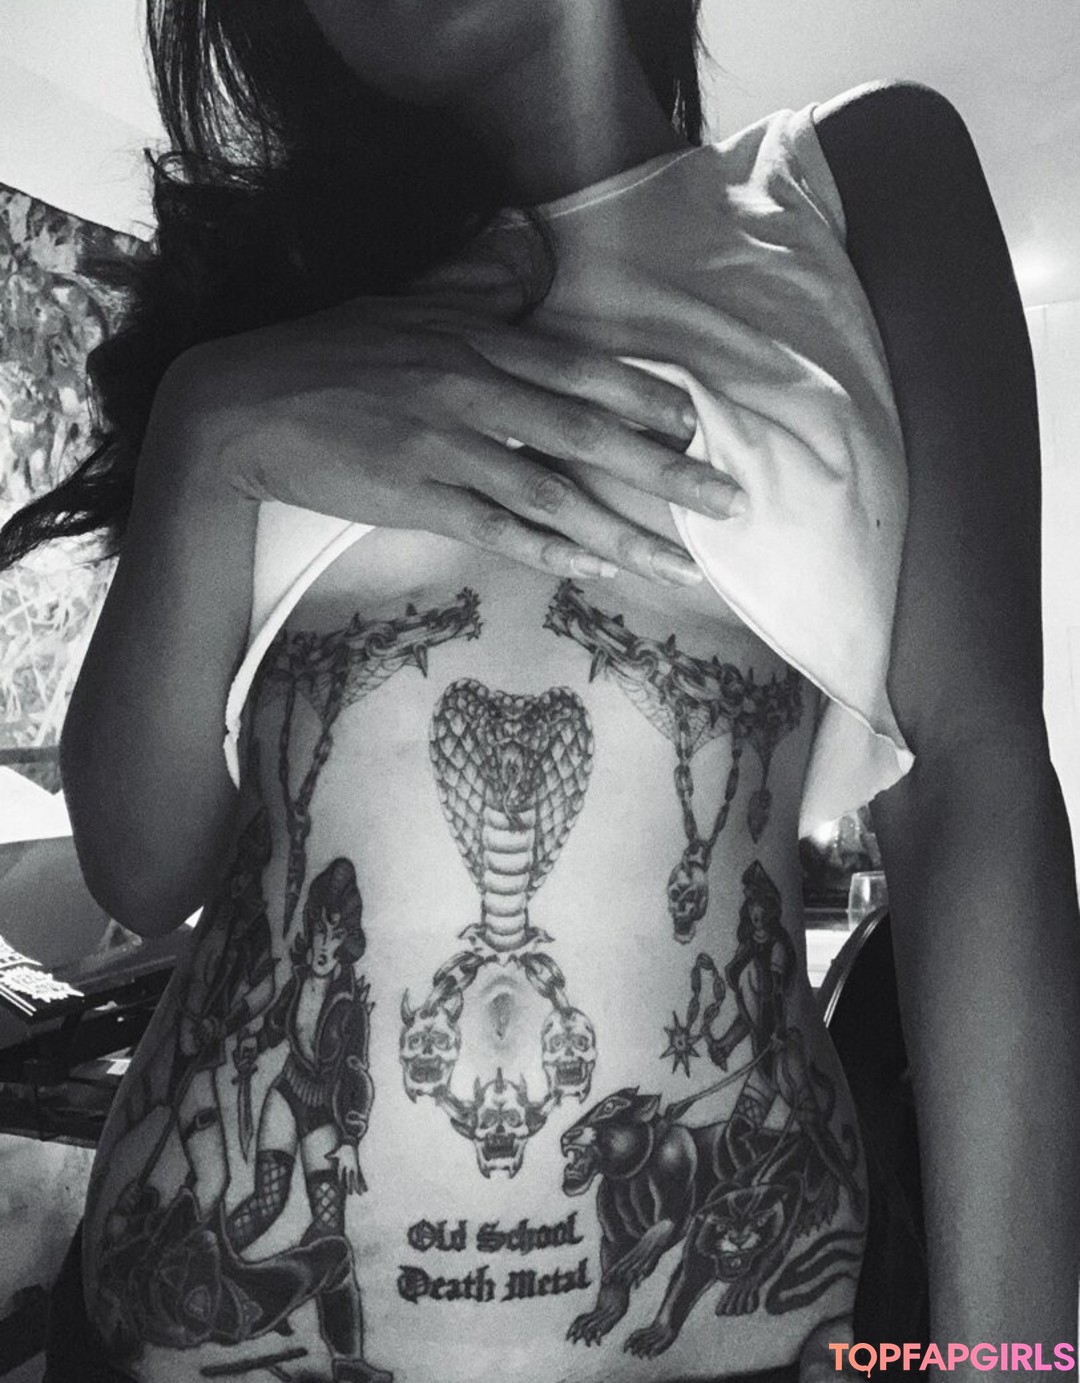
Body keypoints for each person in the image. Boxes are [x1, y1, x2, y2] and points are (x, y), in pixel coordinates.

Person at [1, 1, 1076, 1380]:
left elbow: (976, 778)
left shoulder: (851, 179)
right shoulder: (282, 312)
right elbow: (142, 870)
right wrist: (206, 437)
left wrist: (1012, 1367)